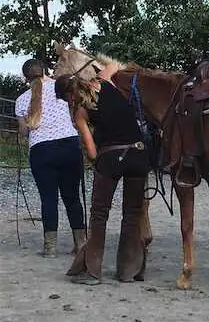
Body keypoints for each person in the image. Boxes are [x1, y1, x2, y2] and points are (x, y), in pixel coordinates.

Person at [54, 63, 150, 284]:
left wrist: (93, 160)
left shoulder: (80, 111)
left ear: (69, 95)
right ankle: (129, 271)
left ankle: (92, 271)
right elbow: (114, 65)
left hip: (112, 157)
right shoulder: (104, 83)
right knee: (132, 213)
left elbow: (92, 151)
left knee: (99, 214)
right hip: (139, 154)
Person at [14, 59, 86, 258]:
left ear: (25, 78)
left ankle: (50, 248)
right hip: (69, 146)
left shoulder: (21, 100)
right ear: (46, 71)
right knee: (72, 198)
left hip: (41, 150)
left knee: (48, 198)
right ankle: (81, 244)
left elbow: (24, 132)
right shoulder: (62, 88)